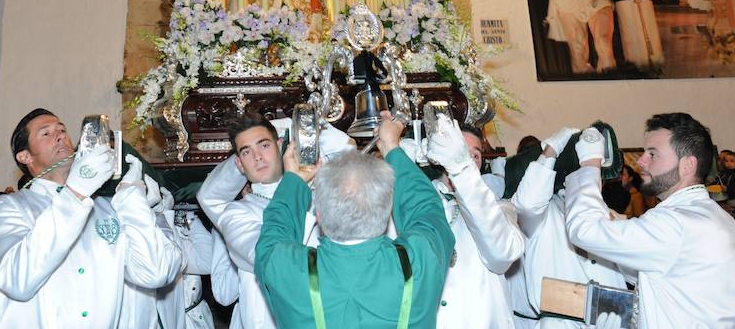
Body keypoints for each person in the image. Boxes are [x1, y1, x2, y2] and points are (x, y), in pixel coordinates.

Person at [0, 108, 184, 328]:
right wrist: (75, 193)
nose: (60, 135)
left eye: (62, 130)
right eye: (45, 133)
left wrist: (134, 202)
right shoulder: (8, 206)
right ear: (25, 156)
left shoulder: (107, 207)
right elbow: (17, 280)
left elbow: (154, 273)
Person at [254, 111, 455, 328]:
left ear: (318, 216)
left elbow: (275, 230)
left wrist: (295, 178)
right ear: (388, 211)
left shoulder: (288, 270)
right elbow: (426, 209)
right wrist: (391, 147)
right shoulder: (420, 258)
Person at [566, 113, 735, 327]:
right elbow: (656, 269)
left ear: (687, 165)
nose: (641, 162)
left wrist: (589, 165)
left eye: (653, 154)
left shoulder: (675, 223)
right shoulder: (714, 216)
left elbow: (584, 230)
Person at [197, 113, 320, 329]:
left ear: (280, 146)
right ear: (239, 164)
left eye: (264, 146)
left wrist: (299, 126)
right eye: (247, 152)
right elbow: (272, 255)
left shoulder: (319, 194)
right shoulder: (236, 214)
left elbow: (346, 147)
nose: (257, 157)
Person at [509, 126, 626, 327]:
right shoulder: (544, 215)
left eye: (596, 173)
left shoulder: (609, 216)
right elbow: (526, 203)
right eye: (588, 171)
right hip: (562, 321)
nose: (593, 180)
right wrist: (550, 152)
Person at [425, 116, 525, 329]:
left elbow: (503, 255)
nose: (469, 159)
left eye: (475, 155)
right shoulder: (422, 199)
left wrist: (462, 170)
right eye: (461, 151)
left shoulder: (500, 208)